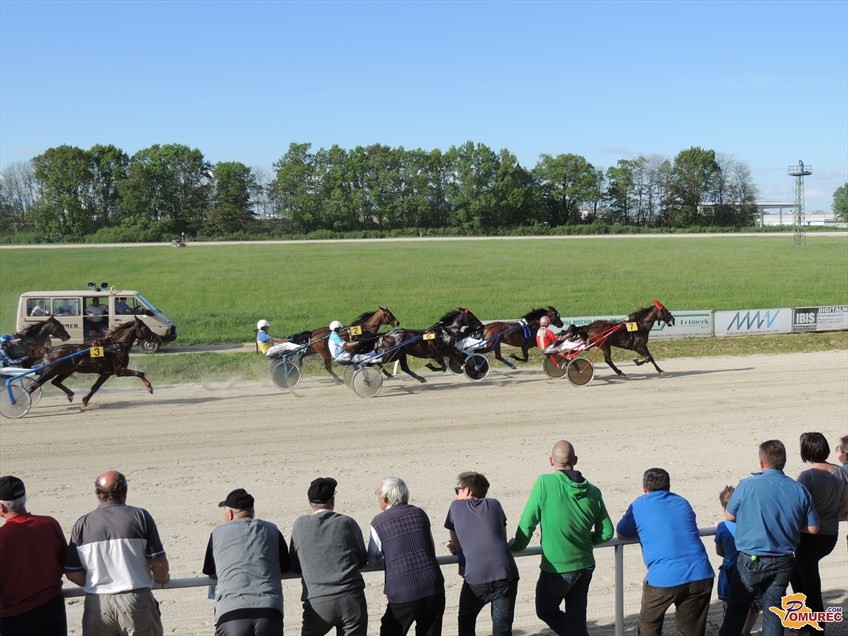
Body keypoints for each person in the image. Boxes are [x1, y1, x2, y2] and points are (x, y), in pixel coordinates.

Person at [510, 440, 614, 636]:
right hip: (585, 565)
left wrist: (516, 546)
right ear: (575, 460)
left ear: (551, 461)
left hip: (557, 568)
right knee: (576, 618)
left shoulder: (544, 483)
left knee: (545, 610)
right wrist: (586, 539)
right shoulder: (593, 491)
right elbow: (607, 532)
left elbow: (527, 523)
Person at [724, 440, 819, 636]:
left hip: (751, 558)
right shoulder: (798, 489)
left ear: (761, 463)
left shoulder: (747, 485)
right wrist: (789, 525)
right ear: (784, 461)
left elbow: (729, 515)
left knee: (737, 609)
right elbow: (813, 528)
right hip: (783, 559)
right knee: (773, 612)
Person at [64, 470, 170, 636]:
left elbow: (72, 572)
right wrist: (162, 579)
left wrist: (97, 583)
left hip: (98, 605)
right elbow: (159, 564)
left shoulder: (82, 524)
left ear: (97, 493)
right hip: (135, 601)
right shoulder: (140, 516)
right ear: (125, 491)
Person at [615, 467, 714, 636]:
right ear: (668, 486)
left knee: (649, 625)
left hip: (664, 576)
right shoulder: (682, 502)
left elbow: (622, 533)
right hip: (700, 572)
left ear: (644, 487)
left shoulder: (639, 504)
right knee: (691, 631)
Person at [202, 487, 290, 636]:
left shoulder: (217, 533)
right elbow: (286, 566)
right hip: (269, 610)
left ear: (229, 514)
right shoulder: (272, 529)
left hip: (231, 611)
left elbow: (209, 570)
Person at [289, 477, 368, 636]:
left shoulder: (299, 525)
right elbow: (362, 559)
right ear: (332, 500)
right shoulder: (347, 522)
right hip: (350, 598)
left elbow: (295, 565)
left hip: (318, 601)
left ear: (309, 501)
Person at [444, 471, 519, 636]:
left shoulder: (455, 506)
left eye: (458, 490)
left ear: (468, 491)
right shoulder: (495, 504)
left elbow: (457, 542)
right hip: (506, 573)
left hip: (477, 578)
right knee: (502, 629)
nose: (456, 494)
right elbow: (502, 536)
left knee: (466, 622)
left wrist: (457, 548)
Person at [368, 476, 445, 636]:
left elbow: (374, 559)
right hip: (433, 585)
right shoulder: (419, 513)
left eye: (378, 493)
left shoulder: (379, 522)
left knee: (390, 631)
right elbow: (430, 547)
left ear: (385, 498)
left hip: (403, 591)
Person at [789, 433, 848, 632]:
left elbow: (797, 507)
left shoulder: (807, 476)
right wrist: (833, 514)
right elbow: (845, 505)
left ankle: (814, 626)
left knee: (810, 582)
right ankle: (806, 621)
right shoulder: (840, 472)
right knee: (798, 573)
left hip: (809, 535)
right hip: (830, 534)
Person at [0, 475, 68, 636]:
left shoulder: (3, 536)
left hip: (14, 615)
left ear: (2, 508)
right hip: (52, 607)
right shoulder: (49, 523)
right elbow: (65, 563)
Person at [715, 486, 760, 636]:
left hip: (730, 569)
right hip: (751, 567)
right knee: (754, 604)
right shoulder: (752, 525)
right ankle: (746, 630)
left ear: (724, 507)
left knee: (729, 606)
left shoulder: (722, 527)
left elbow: (719, 551)